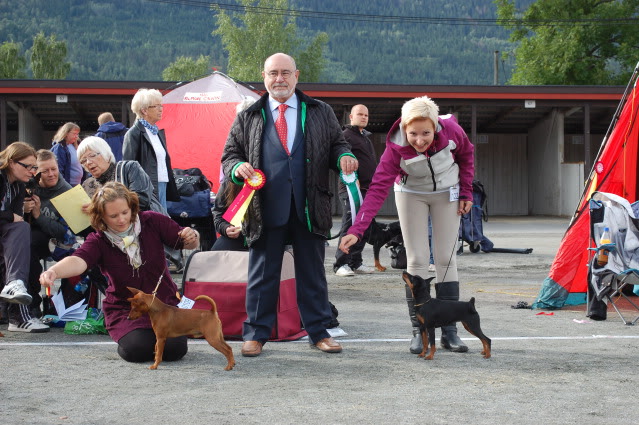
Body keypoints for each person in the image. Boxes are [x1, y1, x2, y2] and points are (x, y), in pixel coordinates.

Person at [221, 52, 357, 357]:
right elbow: (229, 154)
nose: (279, 79)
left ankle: (319, 332)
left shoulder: (321, 111)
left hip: (310, 207)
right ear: (264, 77)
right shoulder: (248, 115)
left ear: (296, 75)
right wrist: (237, 167)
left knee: (312, 274)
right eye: (273, 74)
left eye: (285, 73)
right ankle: (256, 333)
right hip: (264, 207)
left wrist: (343, 157)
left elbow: (338, 144)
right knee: (262, 274)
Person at [339, 95, 475, 355]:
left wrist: (466, 192)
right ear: (404, 129)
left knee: (446, 258)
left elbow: (467, 156)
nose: (420, 140)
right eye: (413, 133)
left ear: (436, 126)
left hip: (447, 191)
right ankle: (419, 331)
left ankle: (449, 331)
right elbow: (377, 189)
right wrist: (356, 231)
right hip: (410, 193)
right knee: (417, 259)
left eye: (426, 133)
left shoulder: (453, 131)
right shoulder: (395, 148)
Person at [40, 182, 200, 362]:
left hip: (163, 304)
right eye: (113, 216)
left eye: (125, 212)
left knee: (175, 349)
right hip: (125, 307)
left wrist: (192, 235)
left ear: (131, 206)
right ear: (101, 217)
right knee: (138, 349)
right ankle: (127, 338)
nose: (122, 219)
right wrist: (54, 271)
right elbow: (79, 261)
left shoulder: (152, 221)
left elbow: (187, 241)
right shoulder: (98, 240)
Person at [79, 136, 184, 272]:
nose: (88, 162)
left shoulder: (129, 168)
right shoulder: (88, 185)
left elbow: (142, 200)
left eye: (91, 156)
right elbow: (91, 227)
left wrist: (99, 209)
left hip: (144, 236)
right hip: (112, 244)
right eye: (83, 161)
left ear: (105, 154)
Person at [0, 142, 49, 332]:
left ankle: (18, 312)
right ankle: (18, 316)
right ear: (12, 162)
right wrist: (9, 216)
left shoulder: (19, 187)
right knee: (20, 230)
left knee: (22, 237)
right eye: (28, 166)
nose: (32, 171)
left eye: (34, 167)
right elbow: (13, 218)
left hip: (5, 239)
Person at [23, 150, 74, 320]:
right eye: (45, 171)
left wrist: (38, 215)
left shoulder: (67, 192)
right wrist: (23, 211)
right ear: (36, 172)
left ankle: (33, 305)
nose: (51, 174)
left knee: (29, 245)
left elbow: (66, 234)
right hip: (31, 234)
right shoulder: (29, 186)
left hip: (56, 240)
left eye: (54, 169)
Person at [333, 104, 378, 277]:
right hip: (351, 188)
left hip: (368, 189)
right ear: (351, 117)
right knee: (349, 225)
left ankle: (355, 262)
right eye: (360, 114)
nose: (364, 117)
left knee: (364, 227)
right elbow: (340, 158)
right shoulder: (346, 136)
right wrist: (354, 177)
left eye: (366, 115)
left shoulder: (365, 137)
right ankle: (340, 264)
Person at [122, 88, 179, 210]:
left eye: (161, 105)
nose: (161, 109)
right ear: (144, 110)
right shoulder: (134, 133)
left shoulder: (156, 132)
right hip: (146, 189)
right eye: (156, 106)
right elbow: (128, 166)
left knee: (162, 220)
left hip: (162, 183)